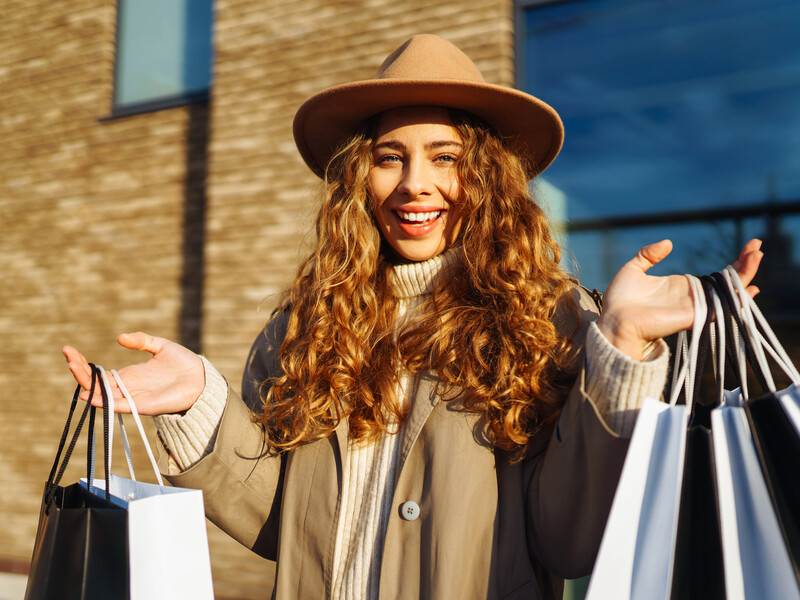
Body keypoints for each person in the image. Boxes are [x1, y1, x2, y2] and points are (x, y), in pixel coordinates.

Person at [62, 35, 763, 600]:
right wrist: (200, 404)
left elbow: (566, 541)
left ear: (486, 177)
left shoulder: (549, 318)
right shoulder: (304, 325)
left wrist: (620, 348)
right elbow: (284, 525)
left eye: (445, 158)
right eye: (389, 158)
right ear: (358, 178)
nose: (414, 184)